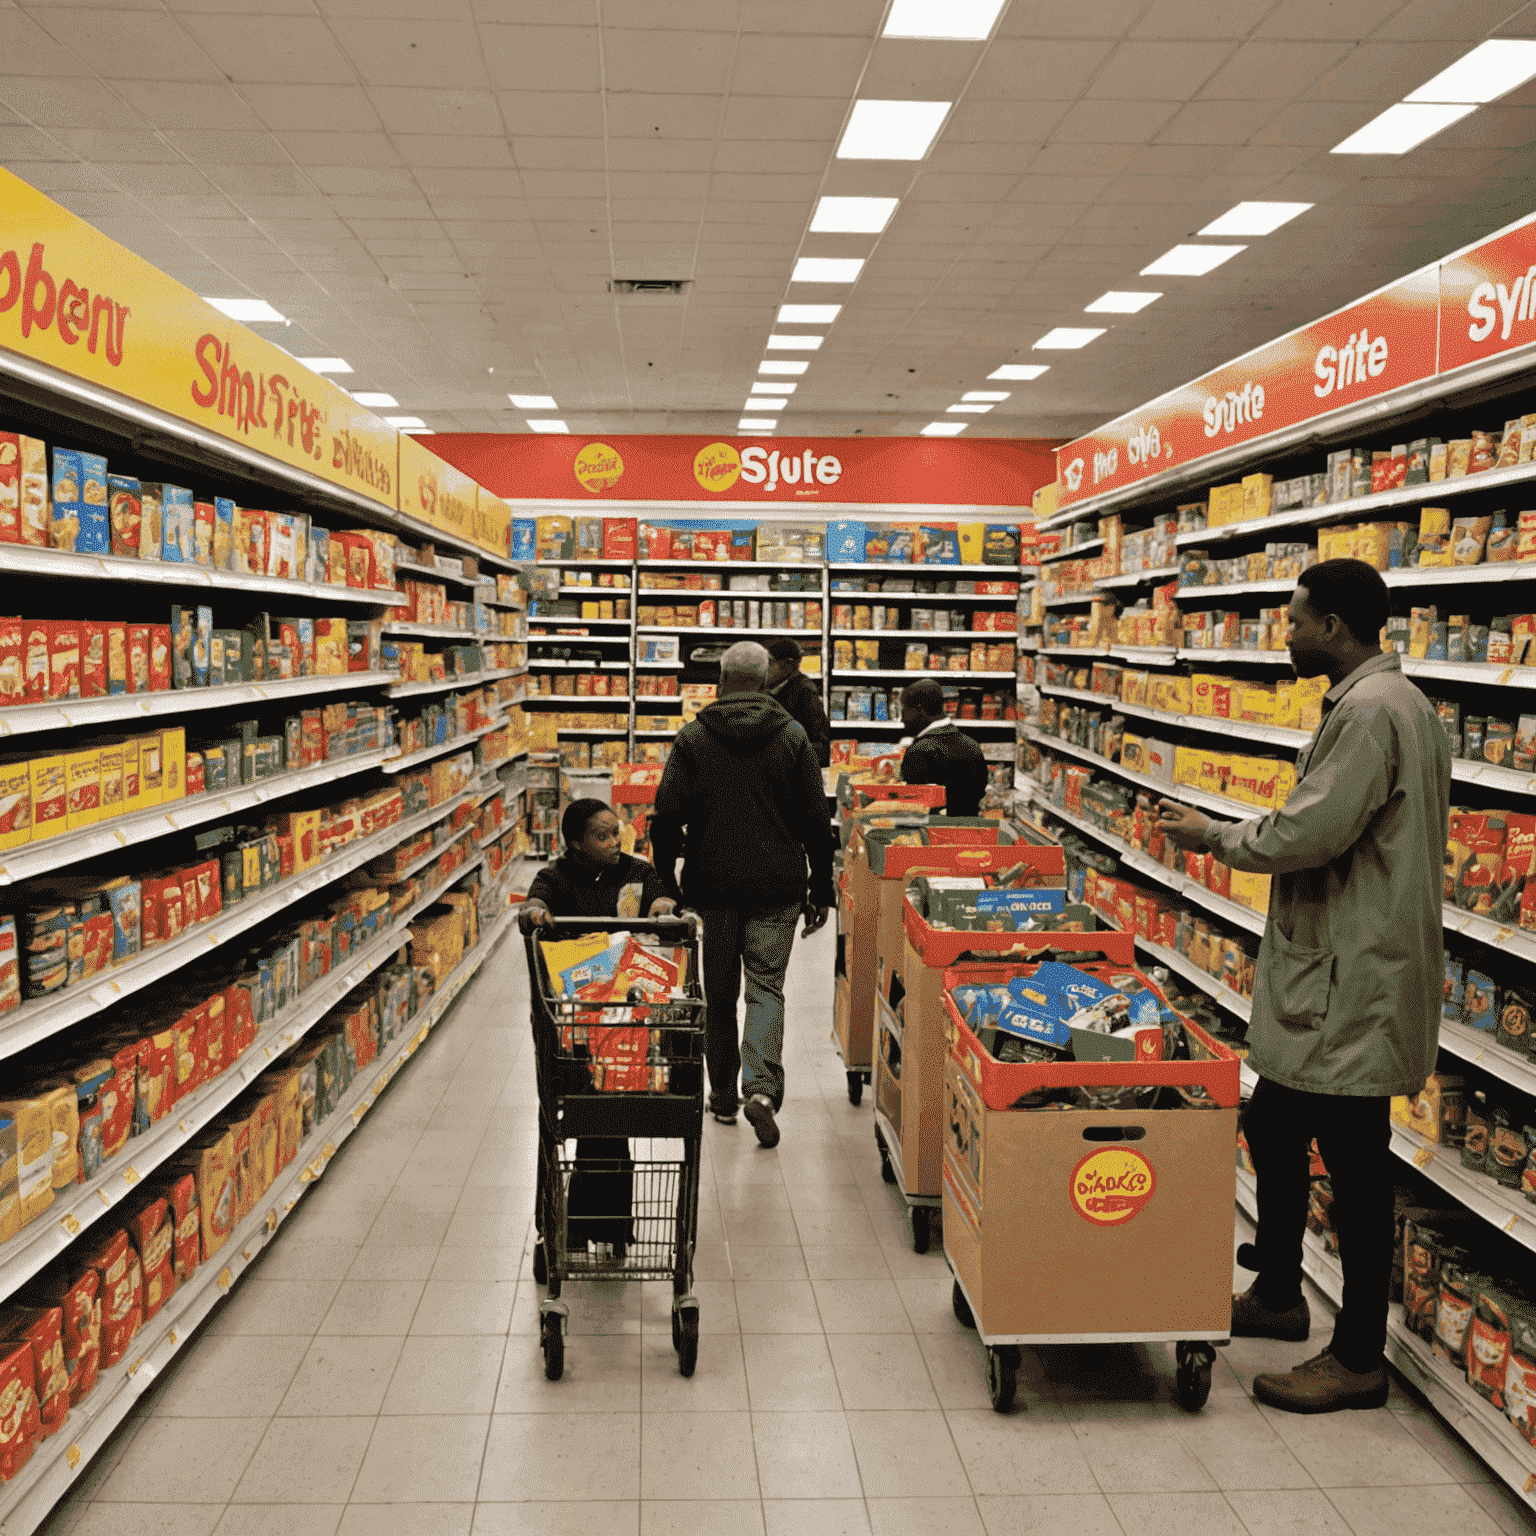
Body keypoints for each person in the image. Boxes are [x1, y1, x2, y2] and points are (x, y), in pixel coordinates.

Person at [1157, 559, 1450, 1414]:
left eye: (1293, 620)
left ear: (1333, 626)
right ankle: (1281, 1292)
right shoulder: (1396, 704)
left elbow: (1311, 829)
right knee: (1275, 1119)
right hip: (1349, 960)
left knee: (1358, 1165)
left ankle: (1358, 1355)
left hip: (1358, 972)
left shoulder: (1368, 712)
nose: (1283, 634)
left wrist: (1212, 834)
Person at [650, 640, 833, 1148]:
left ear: (722, 680)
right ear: (764, 679)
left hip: (713, 885)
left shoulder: (693, 738)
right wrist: (823, 887)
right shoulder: (792, 735)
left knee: (719, 992)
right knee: (766, 987)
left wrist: (668, 885)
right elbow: (817, 823)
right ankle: (763, 1091)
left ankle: (724, 1096)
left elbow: (665, 822)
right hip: (778, 885)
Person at [519, 799, 678, 1255]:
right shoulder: (556, 877)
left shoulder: (636, 871)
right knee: (572, 1117)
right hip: (568, 1024)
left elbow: (660, 895)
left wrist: (665, 905)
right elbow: (537, 899)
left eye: (616, 832)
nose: (614, 842)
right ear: (575, 844)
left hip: (621, 1020)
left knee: (608, 1116)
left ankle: (589, 1227)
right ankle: (585, 1225)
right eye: (602, 836)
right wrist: (534, 912)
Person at [898, 677, 989, 817]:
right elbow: (979, 792)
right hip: (970, 833)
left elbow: (913, 810)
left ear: (919, 710)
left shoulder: (918, 752)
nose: (902, 718)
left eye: (904, 710)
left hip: (932, 834)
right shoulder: (972, 745)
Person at [765, 637, 831, 767]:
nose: (765, 668)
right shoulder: (772, 689)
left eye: (770, 663)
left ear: (787, 664)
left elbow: (821, 747)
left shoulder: (805, 693)